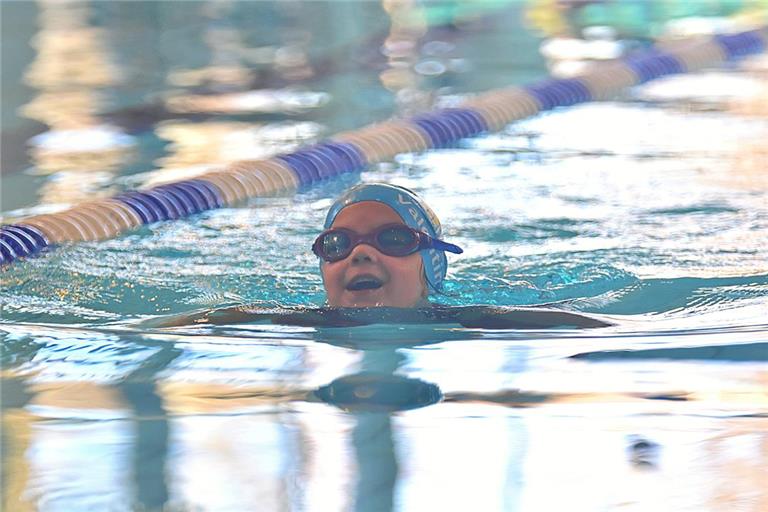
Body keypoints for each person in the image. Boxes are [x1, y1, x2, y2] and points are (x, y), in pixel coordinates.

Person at [143, 183, 611, 329]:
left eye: (392, 240)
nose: (360, 255)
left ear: (432, 266)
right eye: (338, 244)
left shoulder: (473, 319)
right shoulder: (295, 320)